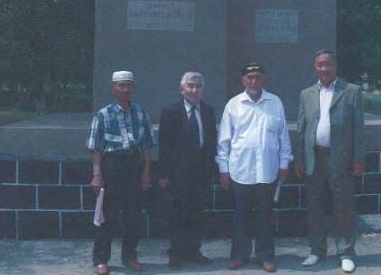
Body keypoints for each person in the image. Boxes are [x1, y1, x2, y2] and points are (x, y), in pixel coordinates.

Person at [216, 62, 293, 272]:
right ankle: (240, 255)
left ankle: (265, 256)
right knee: (240, 216)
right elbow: (224, 140)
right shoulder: (233, 104)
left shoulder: (275, 102)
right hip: (240, 171)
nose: (254, 81)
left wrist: (285, 162)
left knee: (265, 216)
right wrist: (223, 169)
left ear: (263, 79)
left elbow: (283, 137)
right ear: (243, 80)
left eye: (258, 76)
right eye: (250, 77)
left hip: (268, 171)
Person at [294, 50, 365, 273]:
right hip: (314, 158)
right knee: (314, 206)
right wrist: (299, 159)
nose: (323, 69)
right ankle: (317, 250)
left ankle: (345, 252)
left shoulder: (351, 91)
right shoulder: (306, 94)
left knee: (342, 206)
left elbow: (359, 130)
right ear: (315, 68)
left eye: (327, 64)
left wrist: (358, 160)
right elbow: (301, 129)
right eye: (319, 65)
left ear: (336, 66)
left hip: (341, 159)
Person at [86, 71, 155, 275]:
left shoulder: (140, 112)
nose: (125, 90)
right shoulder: (103, 114)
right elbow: (96, 148)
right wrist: (97, 174)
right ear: (113, 88)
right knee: (108, 215)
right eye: (121, 85)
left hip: (134, 166)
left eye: (129, 86)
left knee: (134, 216)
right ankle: (101, 259)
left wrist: (146, 172)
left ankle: (130, 257)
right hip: (112, 166)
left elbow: (147, 145)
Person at [158, 72, 217, 269]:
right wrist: (164, 174)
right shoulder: (170, 112)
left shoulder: (208, 111)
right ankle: (176, 253)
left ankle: (193, 251)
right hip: (177, 173)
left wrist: (212, 170)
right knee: (178, 214)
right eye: (190, 86)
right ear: (181, 89)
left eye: (198, 86)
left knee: (197, 213)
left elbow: (211, 143)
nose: (194, 90)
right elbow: (164, 145)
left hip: (201, 172)